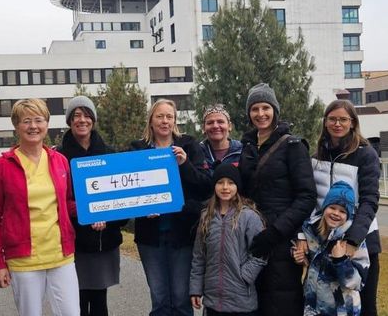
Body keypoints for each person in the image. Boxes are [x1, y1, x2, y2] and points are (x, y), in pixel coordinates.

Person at [0, 98, 79, 316]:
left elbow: (67, 203)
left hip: (61, 255)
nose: (33, 126)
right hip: (23, 259)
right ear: (16, 126)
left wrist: (94, 211)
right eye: (26, 121)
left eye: (39, 120)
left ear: (47, 123)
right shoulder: (2, 166)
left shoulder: (60, 161)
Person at [238, 83, 317, 316]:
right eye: (255, 109)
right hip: (251, 235)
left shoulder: (293, 146)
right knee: (255, 302)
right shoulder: (247, 146)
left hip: (281, 238)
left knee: (281, 302)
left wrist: (275, 232)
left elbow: (306, 196)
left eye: (266, 108)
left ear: (275, 110)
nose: (260, 114)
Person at [130, 98, 212, 316]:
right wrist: (142, 208)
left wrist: (185, 164)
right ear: (151, 120)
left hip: (182, 234)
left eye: (169, 116)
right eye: (160, 116)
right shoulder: (137, 148)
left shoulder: (189, 146)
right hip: (150, 236)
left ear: (175, 120)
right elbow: (129, 191)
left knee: (181, 298)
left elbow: (205, 186)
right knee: (159, 299)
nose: (164, 121)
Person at [56, 96, 126, 316]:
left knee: (99, 300)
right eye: (76, 115)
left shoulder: (110, 154)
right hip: (73, 241)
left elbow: (121, 197)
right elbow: (56, 199)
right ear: (69, 121)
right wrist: (86, 214)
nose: (82, 120)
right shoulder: (57, 157)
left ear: (93, 120)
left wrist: (107, 218)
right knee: (76, 301)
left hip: (104, 239)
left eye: (87, 115)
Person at [310, 99, 381, 316]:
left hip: (360, 240)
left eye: (343, 119)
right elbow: (311, 199)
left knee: (364, 304)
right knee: (326, 303)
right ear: (325, 122)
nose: (337, 124)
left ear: (352, 122)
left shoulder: (365, 154)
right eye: (332, 119)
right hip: (324, 239)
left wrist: (352, 240)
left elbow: (370, 199)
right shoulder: (317, 156)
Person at [190, 163, 267, 316]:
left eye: (231, 183)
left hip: (241, 301)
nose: (225, 187)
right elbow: (199, 256)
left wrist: (245, 276)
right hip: (213, 301)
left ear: (237, 186)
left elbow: (261, 251)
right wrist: (196, 289)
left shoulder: (249, 216)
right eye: (220, 182)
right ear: (214, 186)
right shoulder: (206, 216)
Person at [292, 181, 369, 316]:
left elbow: (357, 283)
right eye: (332, 207)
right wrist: (299, 255)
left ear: (348, 215)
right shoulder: (311, 229)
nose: (336, 213)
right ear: (324, 207)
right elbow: (306, 254)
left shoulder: (353, 241)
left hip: (341, 310)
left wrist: (341, 261)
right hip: (312, 305)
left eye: (342, 211)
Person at [199, 104, 244, 171]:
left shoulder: (242, 151)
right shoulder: (197, 152)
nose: (215, 126)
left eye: (220, 122)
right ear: (203, 128)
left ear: (229, 126)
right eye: (210, 123)